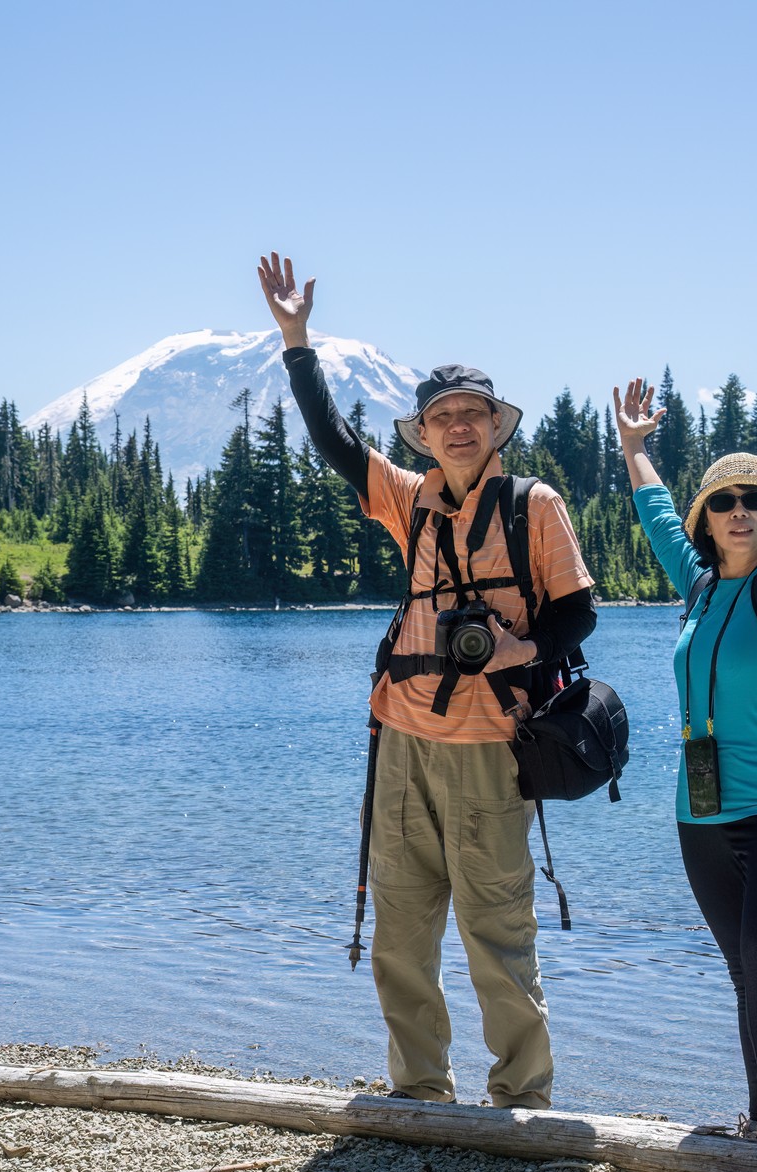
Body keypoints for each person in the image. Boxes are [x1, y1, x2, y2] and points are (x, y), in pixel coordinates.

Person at [257, 252, 597, 1111]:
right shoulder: (407, 500)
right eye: (442, 416)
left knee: (497, 931)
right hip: (401, 741)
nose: (457, 427)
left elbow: (578, 617)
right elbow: (334, 440)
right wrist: (297, 341)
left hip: (491, 746)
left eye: (473, 414)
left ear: (495, 427)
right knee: (401, 933)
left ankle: (523, 1099)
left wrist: (520, 652)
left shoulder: (534, 505)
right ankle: (419, 1089)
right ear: (425, 431)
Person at [614, 304, 757, 1172]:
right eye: (726, 501)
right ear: (711, 518)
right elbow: (658, 515)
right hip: (696, 811)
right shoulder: (696, 589)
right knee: (743, 966)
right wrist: (633, 449)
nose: (743, 511)